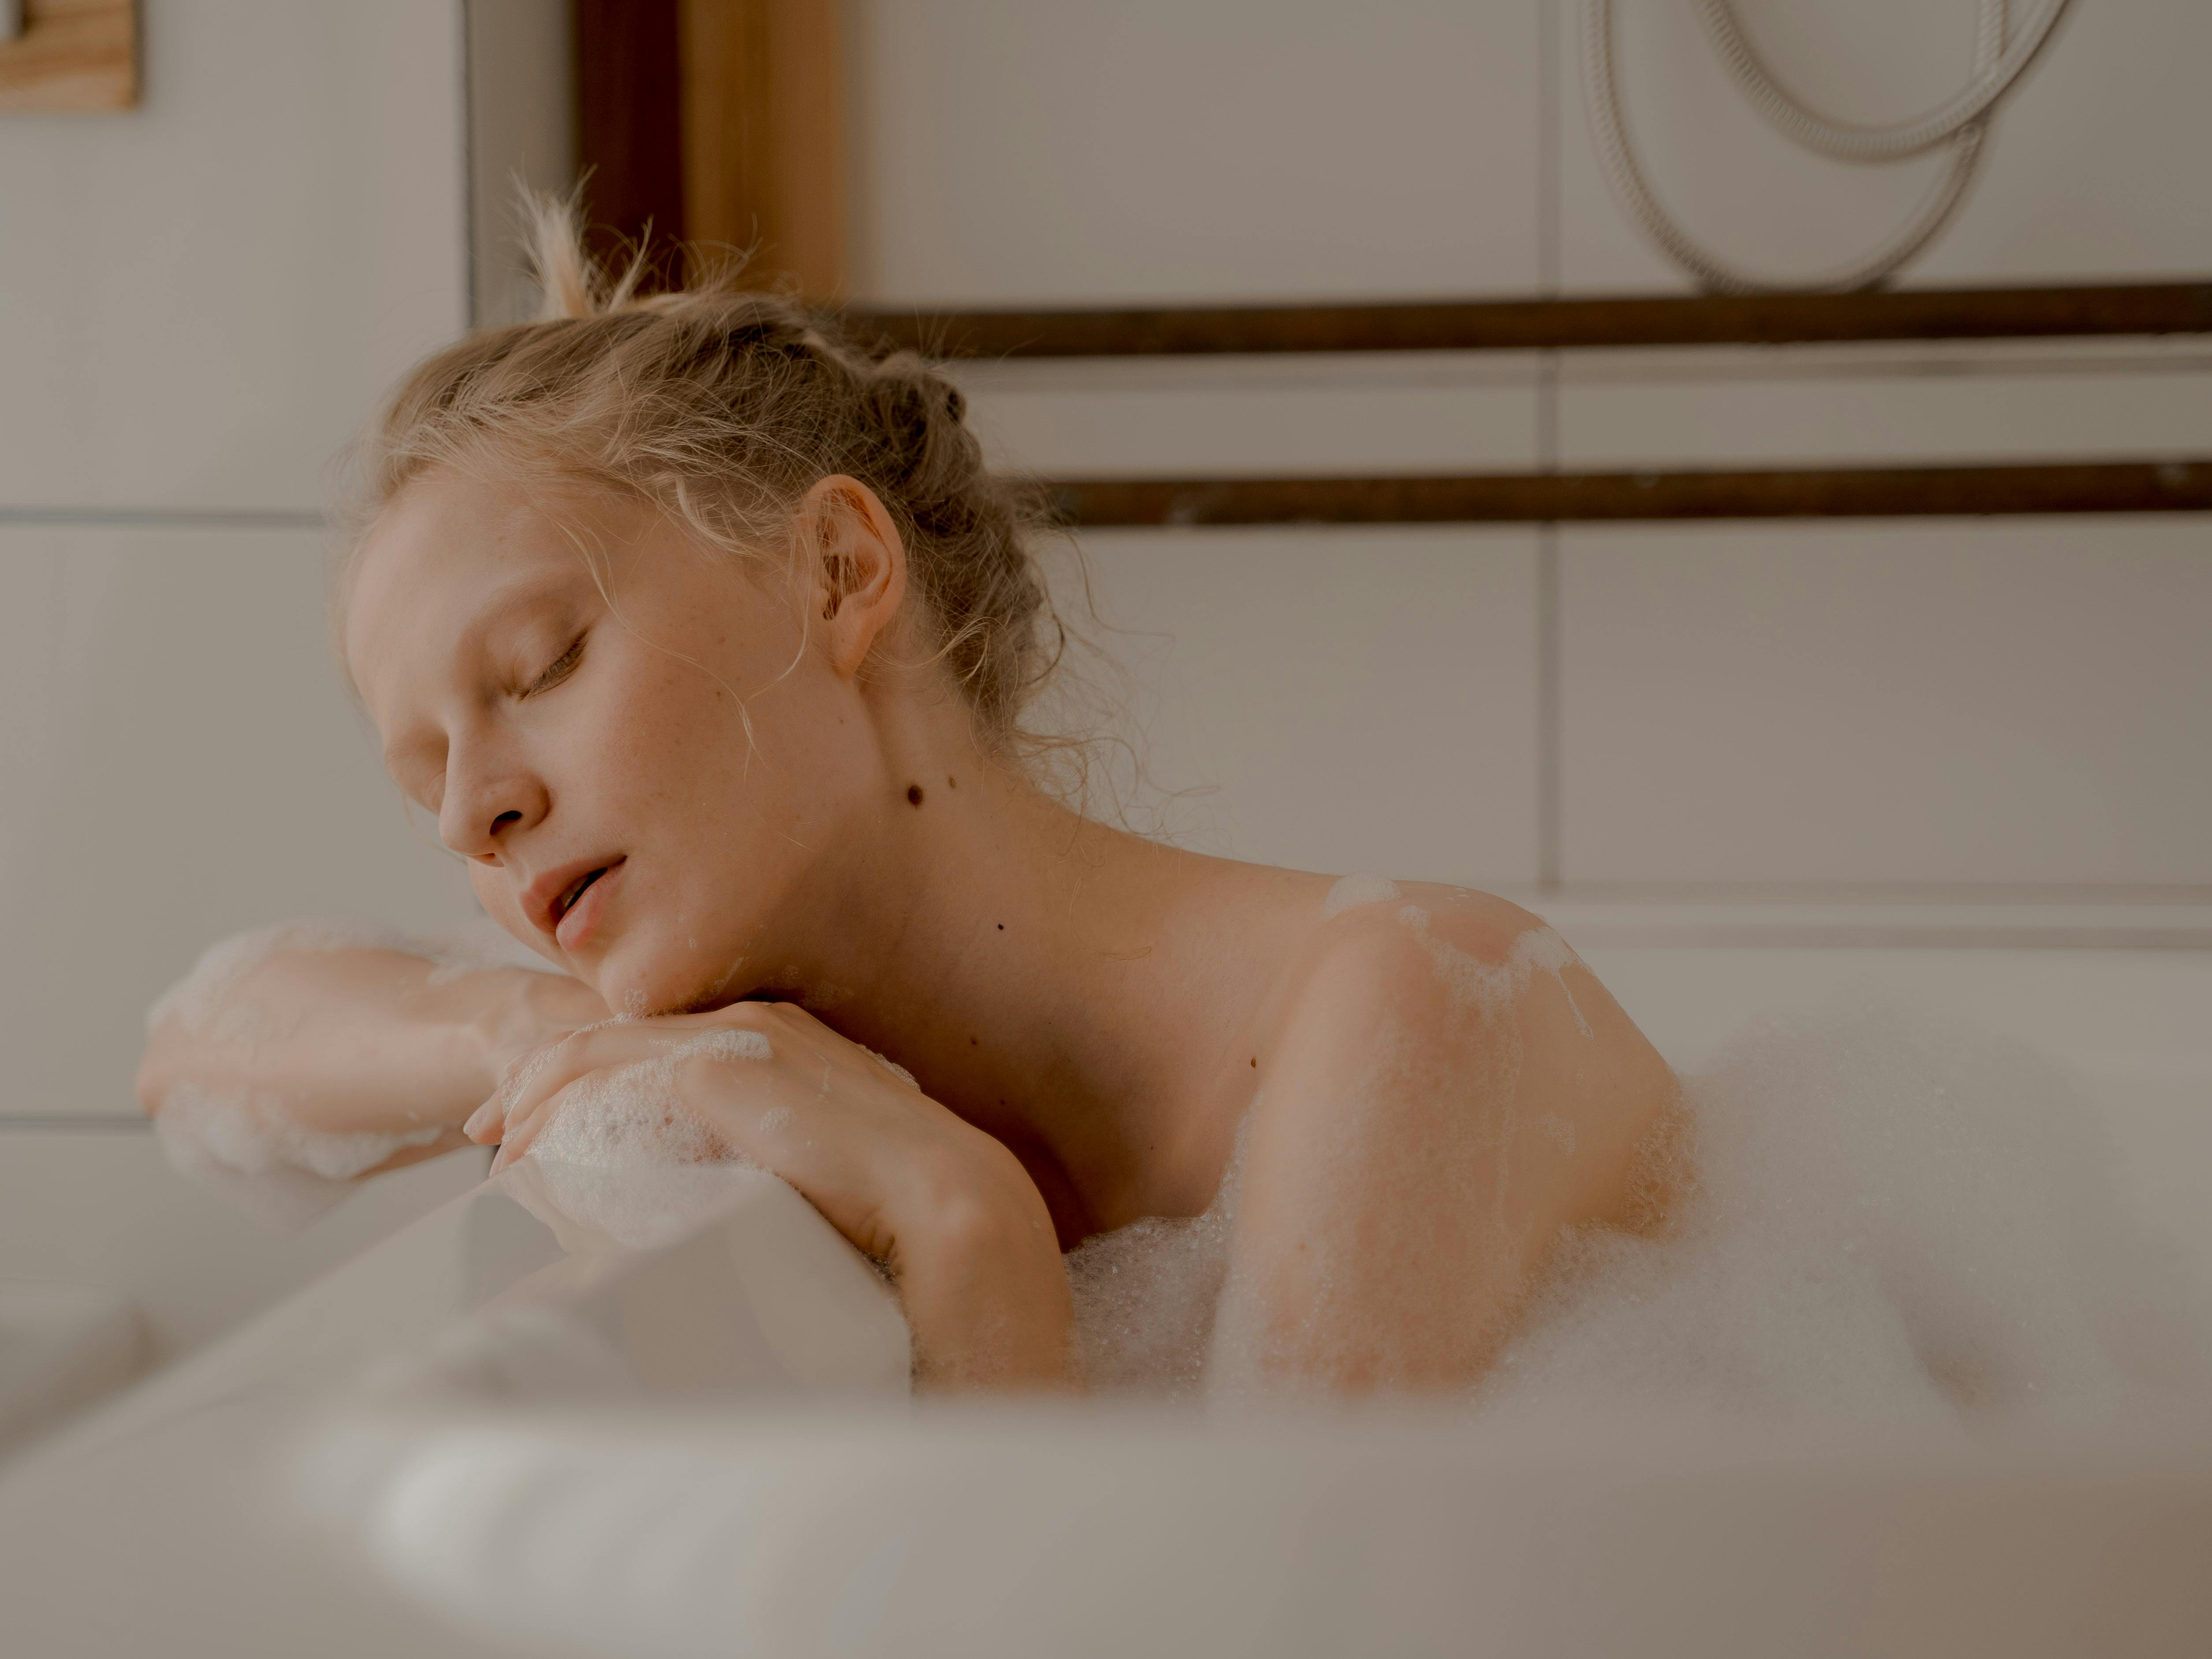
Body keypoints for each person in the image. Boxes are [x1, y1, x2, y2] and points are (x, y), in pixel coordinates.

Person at [135, 202, 1684, 1394]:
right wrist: (531, 1029)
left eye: (538, 666)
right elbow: (202, 1051)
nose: (473, 813)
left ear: (840, 572)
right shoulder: (772, 1064)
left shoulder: (1404, 1011)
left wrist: (968, 1239)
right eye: (428, 777)